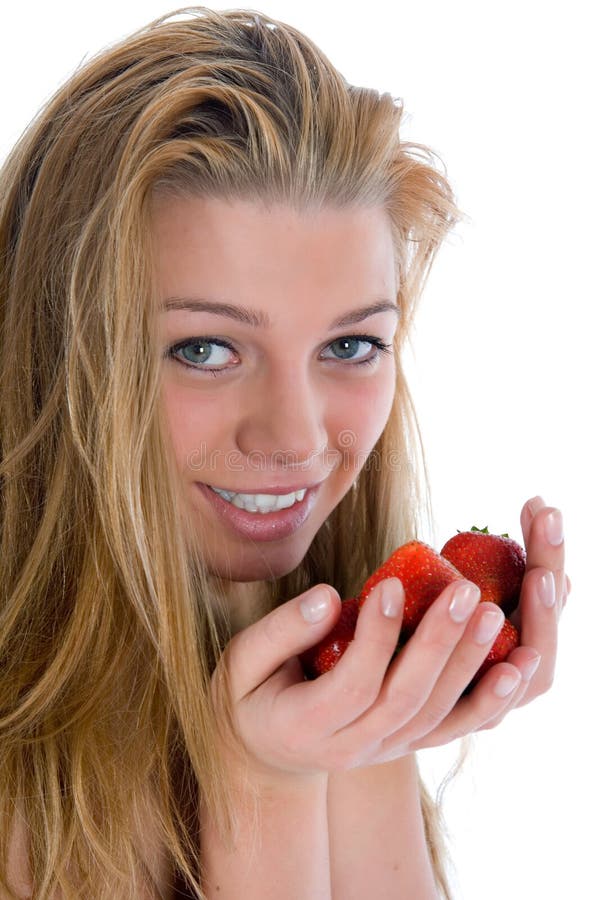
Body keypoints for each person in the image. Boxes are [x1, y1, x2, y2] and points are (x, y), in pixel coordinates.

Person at [0, 6, 568, 898]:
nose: (299, 440)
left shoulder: (331, 649)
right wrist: (268, 783)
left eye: (350, 347)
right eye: (204, 349)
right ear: (60, 357)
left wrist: (369, 740)